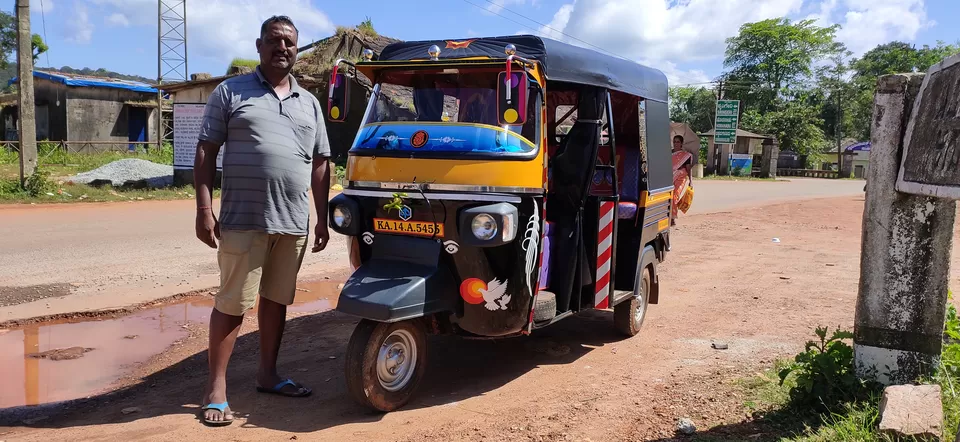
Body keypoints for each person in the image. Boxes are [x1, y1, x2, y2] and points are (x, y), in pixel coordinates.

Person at [193, 15, 331, 426]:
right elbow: (206, 150)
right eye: (274, 40)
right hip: (243, 219)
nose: (282, 48)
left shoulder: (308, 103)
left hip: (292, 222)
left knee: (276, 301)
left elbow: (321, 162)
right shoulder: (230, 91)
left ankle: (268, 374)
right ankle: (215, 389)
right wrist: (204, 210)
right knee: (233, 304)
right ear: (259, 45)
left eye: (289, 42)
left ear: (296, 49)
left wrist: (321, 219)